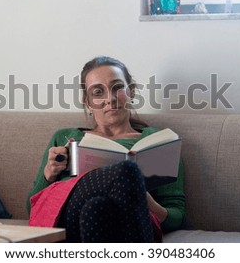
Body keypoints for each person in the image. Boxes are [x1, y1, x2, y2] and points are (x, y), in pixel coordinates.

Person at [27, 56, 185, 242]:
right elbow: (32, 210)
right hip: (69, 218)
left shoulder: (157, 141)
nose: (109, 98)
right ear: (87, 102)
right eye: (97, 92)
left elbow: (177, 217)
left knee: (97, 209)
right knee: (127, 169)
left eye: (117, 87)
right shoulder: (65, 138)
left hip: (124, 220)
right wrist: (49, 174)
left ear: (131, 91)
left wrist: (144, 200)